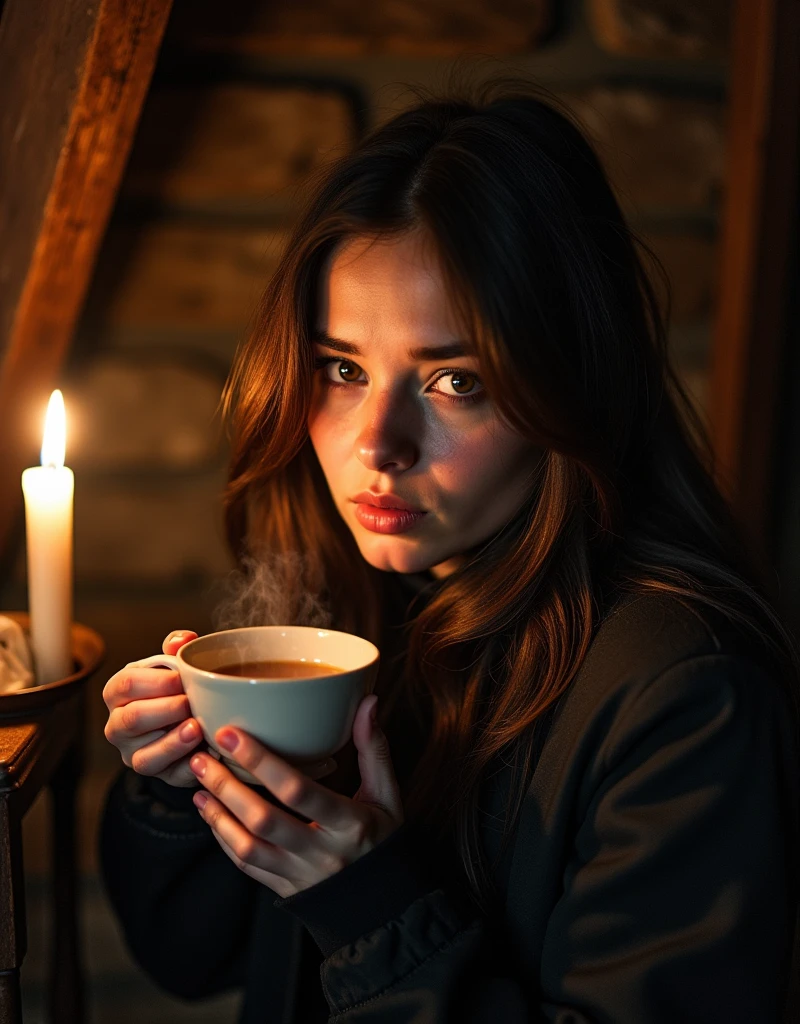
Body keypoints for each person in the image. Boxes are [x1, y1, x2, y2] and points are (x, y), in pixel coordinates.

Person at [99, 78, 800, 1023]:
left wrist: (369, 908)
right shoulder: (345, 606)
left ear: (569, 387)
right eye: (342, 368)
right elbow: (193, 958)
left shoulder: (686, 698)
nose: (375, 443)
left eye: (455, 381)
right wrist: (184, 788)